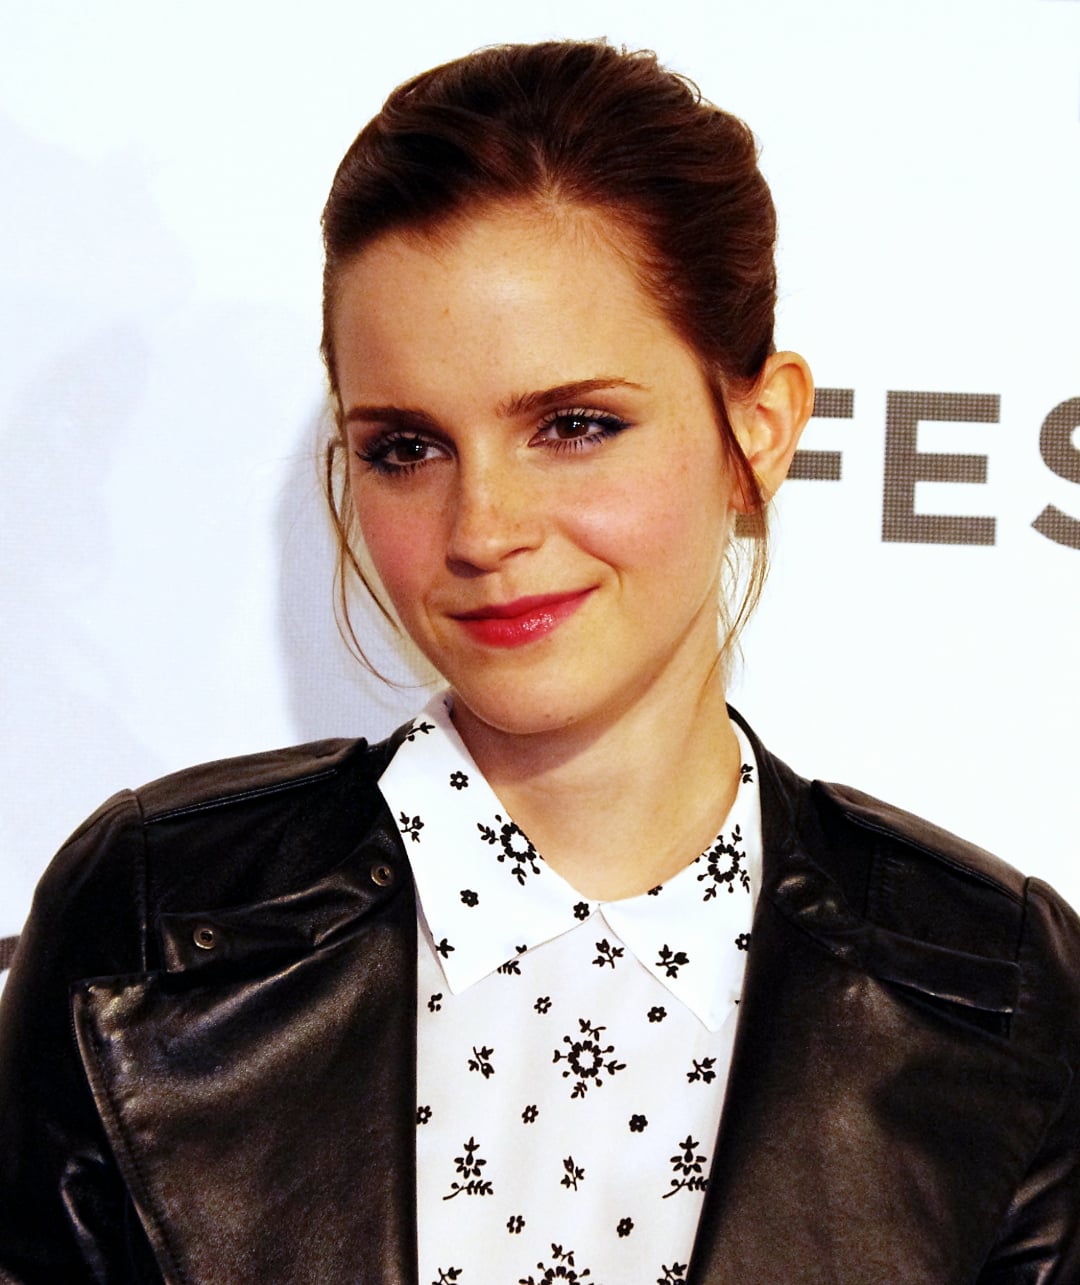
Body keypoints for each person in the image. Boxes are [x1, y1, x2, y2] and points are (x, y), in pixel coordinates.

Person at [1, 39, 1078, 1285]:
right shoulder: (147, 935)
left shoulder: (989, 989)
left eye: (575, 426)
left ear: (760, 430)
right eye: (407, 447)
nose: (483, 531)